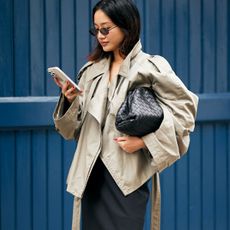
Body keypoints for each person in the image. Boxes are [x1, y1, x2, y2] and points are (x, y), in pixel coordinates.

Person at [52, 0, 198, 229]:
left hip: (127, 180)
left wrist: (144, 141)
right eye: (96, 29)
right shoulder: (91, 71)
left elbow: (185, 115)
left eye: (105, 28)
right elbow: (71, 132)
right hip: (91, 177)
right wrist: (70, 101)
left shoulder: (150, 67)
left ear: (126, 25)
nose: (100, 35)